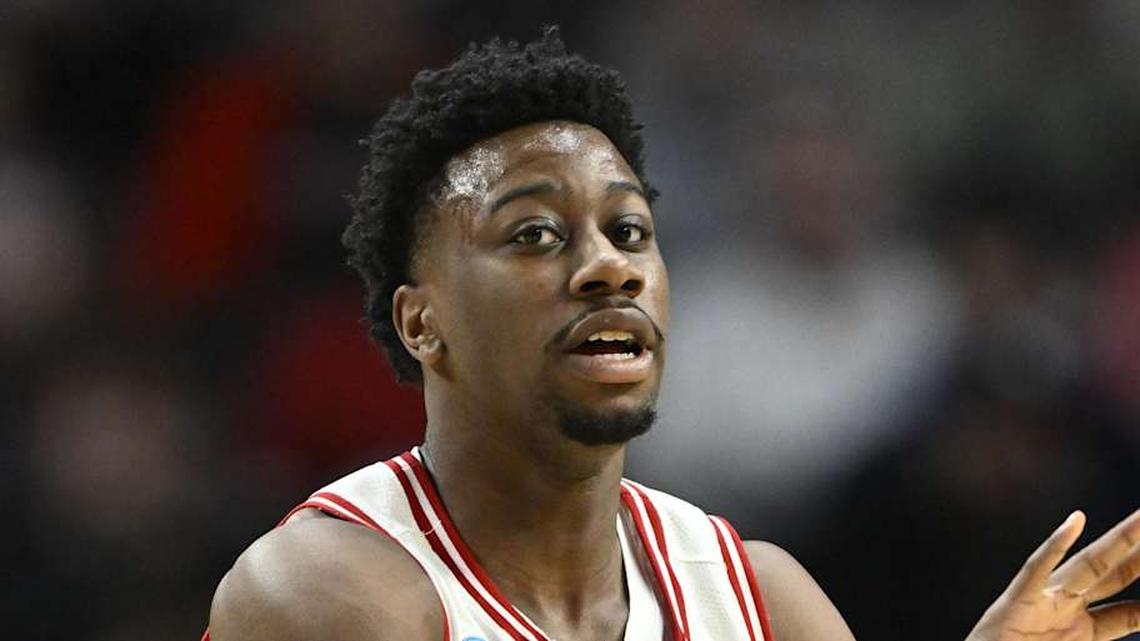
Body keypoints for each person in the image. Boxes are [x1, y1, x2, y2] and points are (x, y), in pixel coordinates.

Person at [206, 29, 1140, 641]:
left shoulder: (765, 598)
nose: (607, 267)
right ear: (423, 321)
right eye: (534, 234)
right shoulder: (328, 588)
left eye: (630, 230)